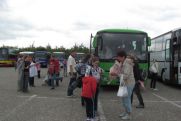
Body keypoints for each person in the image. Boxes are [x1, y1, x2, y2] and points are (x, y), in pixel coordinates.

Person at [110, 50, 135, 120]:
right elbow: (120, 71)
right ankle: (126, 112)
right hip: (123, 83)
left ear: (123, 57)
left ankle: (129, 114)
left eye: (119, 57)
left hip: (129, 83)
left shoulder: (128, 64)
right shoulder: (122, 62)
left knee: (127, 99)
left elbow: (126, 76)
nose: (117, 58)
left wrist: (116, 74)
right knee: (124, 99)